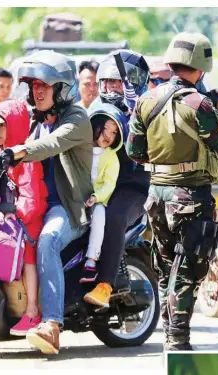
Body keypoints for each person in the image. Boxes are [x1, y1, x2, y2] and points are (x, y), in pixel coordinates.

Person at [126, 32, 218, 350]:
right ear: (201, 69)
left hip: (157, 196)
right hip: (190, 198)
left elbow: (135, 151)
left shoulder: (146, 101)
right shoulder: (199, 103)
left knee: (166, 270)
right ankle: (178, 343)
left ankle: (171, 337)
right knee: (187, 270)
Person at [0, 50, 92, 355]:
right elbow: (8, 125)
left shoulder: (76, 119)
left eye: (44, 86)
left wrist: (17, 151)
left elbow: (49, 146)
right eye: (34, 86)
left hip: (67, 206)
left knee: (47, 241)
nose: (37, 91)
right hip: (35, 204)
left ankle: (51, 324)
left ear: (61, 89)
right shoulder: (36, 120)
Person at [83, 50, 152, 307]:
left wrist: (138, 119)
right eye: (108, 82)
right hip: (96, 183)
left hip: (130, 187)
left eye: (118, 82)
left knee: (114, 216)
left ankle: (105, 284)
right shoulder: (96, 110)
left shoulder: (145, 110)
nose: (112, 88)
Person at [0, 99, 47, 336]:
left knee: (28, 260)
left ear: (14, 125)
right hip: (7, 217)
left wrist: (17, 214)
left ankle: (31, 312)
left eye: (0, 127)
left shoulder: (24, 156)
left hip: (25, 221)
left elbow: (32, 196)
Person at [80, 104, 125, 307]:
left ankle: (91, 260)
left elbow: (109, 184)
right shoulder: (81, 149)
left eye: (114, 132)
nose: (108, 135)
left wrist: (96, 198)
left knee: (100, 218)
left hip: (96, 200)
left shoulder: (111, 157)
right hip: (76, 198)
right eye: (106, 129)